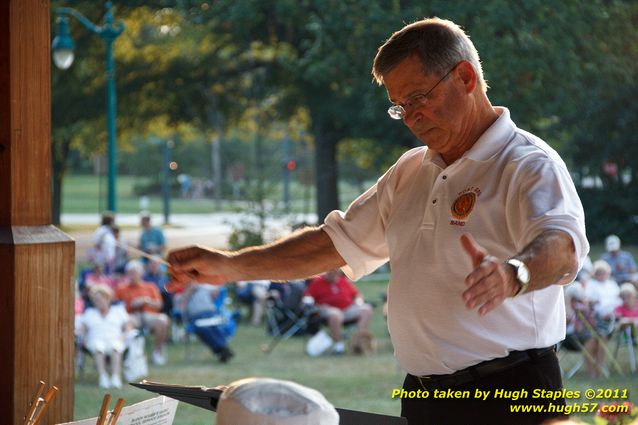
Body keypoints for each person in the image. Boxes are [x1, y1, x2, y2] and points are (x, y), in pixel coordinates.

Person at [167, 18, 588, 425]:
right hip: (423, 396)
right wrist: (230, 266)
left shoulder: (528, 164)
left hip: (510, 391)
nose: (411, 116)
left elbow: (563, 248)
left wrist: (515, 273)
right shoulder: (409, 170)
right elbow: (333, 243)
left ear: (465, 78)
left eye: (419, 97)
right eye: (400, 105)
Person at [304, 270, 373, 354]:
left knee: (366, 309)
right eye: (331, 272)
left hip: (347, 309)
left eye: (336, 272)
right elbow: (307, 298)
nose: (334, 275)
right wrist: (313, 304)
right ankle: (338, 346)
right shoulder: (317, 283)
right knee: (335, 314)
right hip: (327, 310)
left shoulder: (343, 281)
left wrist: (359, 302)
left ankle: (358, 340)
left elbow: (356, 295)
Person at [115, 261, 170, 366]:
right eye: (130, 273)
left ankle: (157, 353)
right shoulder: (121, 288)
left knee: (163, 320)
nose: (132, 275)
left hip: (149, 315)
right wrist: (131, 305)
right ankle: (127, 355)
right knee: (128, 323)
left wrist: (146, 300)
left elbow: (159, 305)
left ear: (141, 273)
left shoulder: (150, 286)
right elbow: (116, 307)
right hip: (131, 315)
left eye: (135, 272)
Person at [78, 284, 132, 389]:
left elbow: (128, 326)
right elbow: (82, 330)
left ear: (107, 298)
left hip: (115, 339)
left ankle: (116, 377)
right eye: (94, 300)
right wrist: (83, 337)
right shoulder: (89, 313)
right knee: (99, 348)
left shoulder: (118, 311)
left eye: (99, 299)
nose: (97, 302)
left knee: (115, 347)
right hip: (95, 340)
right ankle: (103, 377)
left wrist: (124, 336)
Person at [177, 283, 235, 363]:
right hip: (195, 317)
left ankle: (221, 350)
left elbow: (217, 292)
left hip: (211, 313)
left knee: (214, 327)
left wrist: (215, 289)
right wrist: (189, 293)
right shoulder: (183, 291)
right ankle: (222, 349)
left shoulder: (204, 286)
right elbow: (180, 307)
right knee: (204, 329)